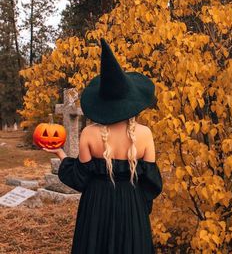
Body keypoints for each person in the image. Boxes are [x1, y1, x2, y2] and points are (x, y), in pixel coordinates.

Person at [43, 38, 163, 254]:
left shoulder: (89, 134)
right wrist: (136, 206)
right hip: (131, 206)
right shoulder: (145, 135)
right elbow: (152, 183)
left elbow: (80, 178)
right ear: (132, 100)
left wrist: (60, 152)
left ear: (102, 103)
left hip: (96, 208)